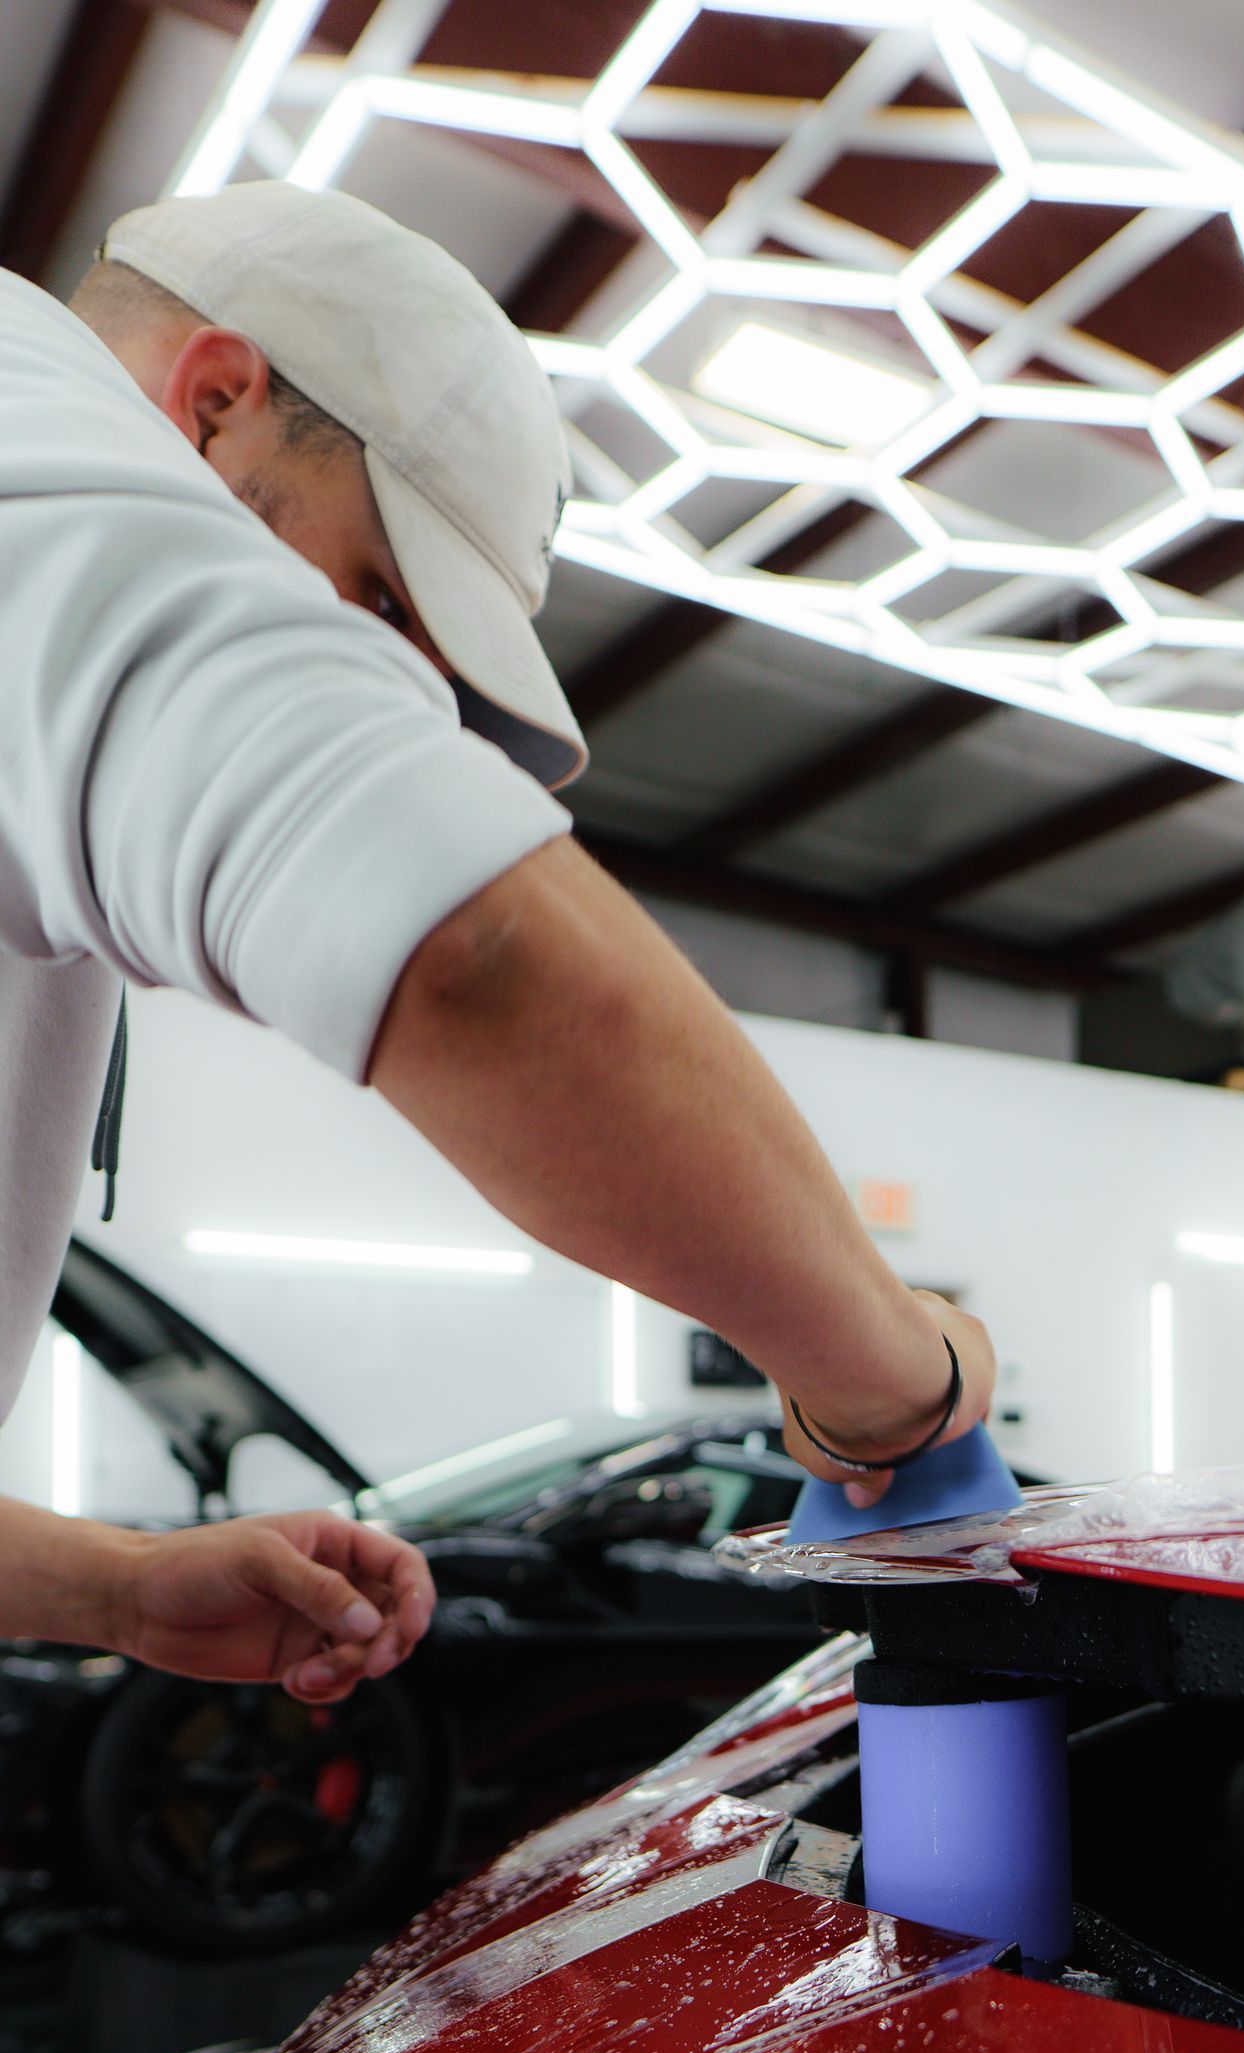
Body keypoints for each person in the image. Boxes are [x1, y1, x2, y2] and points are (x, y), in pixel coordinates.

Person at [0, 179, 993, 1706]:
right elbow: (475, 955)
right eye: (378, 600)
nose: (373, 683)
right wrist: (890, 1375)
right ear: (211, 407)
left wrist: (107, 1585)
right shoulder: (33, 437)